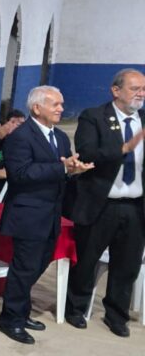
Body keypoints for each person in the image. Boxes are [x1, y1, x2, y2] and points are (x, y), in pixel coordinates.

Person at [0, 86, 93, 345]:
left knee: (38, 265)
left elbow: (61, 171)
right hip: (28, 215)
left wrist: (74, 171)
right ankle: (11, 319)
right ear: (37, 108)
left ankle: (21, 311)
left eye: (61, 104)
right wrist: (61, 168)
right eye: (55, 104)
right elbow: (20, 174)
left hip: (51, 215)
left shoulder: (60, 137)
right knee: (24, 268)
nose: (61, 109)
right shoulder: (20, 137)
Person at [65, 69, 145, 337]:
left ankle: (117, 315)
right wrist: (123, 148)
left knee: (127, 264)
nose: (141, 94)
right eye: (135, 88)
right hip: (101, 203)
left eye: (143, 89)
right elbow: (87, 152)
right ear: (116, 90)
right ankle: (75, 308)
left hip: (135, 206)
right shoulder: (94, 116)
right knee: (86, 260)